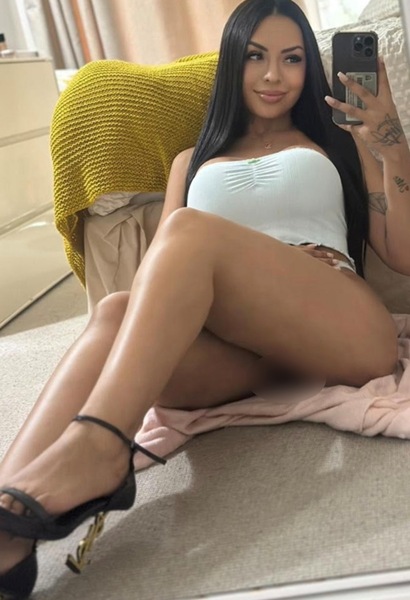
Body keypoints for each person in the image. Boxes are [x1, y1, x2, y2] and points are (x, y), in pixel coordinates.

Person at [1, 0, 410, 596]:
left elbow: (402, 254)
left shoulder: (343, 141)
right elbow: (157, 277)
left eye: (292, 58)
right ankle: (8, 519)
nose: (273, 75)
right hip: (241, 355)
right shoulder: (190, 162)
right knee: (116, 311)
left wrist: (391, 145)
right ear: (231, 64)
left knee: (188, 230)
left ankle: (100, 445)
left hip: (339, 326)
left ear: (310, 69)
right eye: (256, 56)